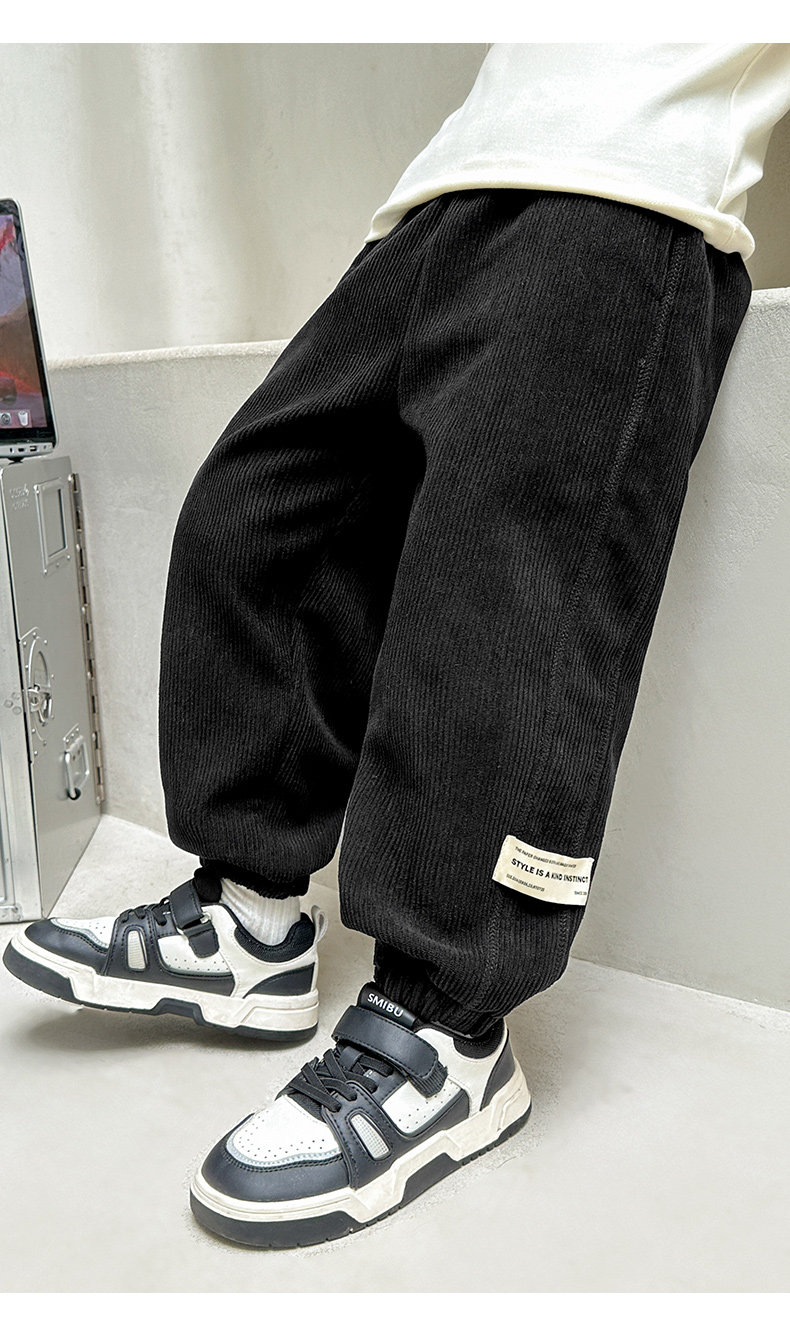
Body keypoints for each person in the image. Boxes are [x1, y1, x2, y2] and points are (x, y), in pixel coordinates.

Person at [5, 43, 790, 1249]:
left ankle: (445, 1033)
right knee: (256, 514)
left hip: (629, 194)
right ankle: (253, 923)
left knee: (498, 603)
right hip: (433, 204)